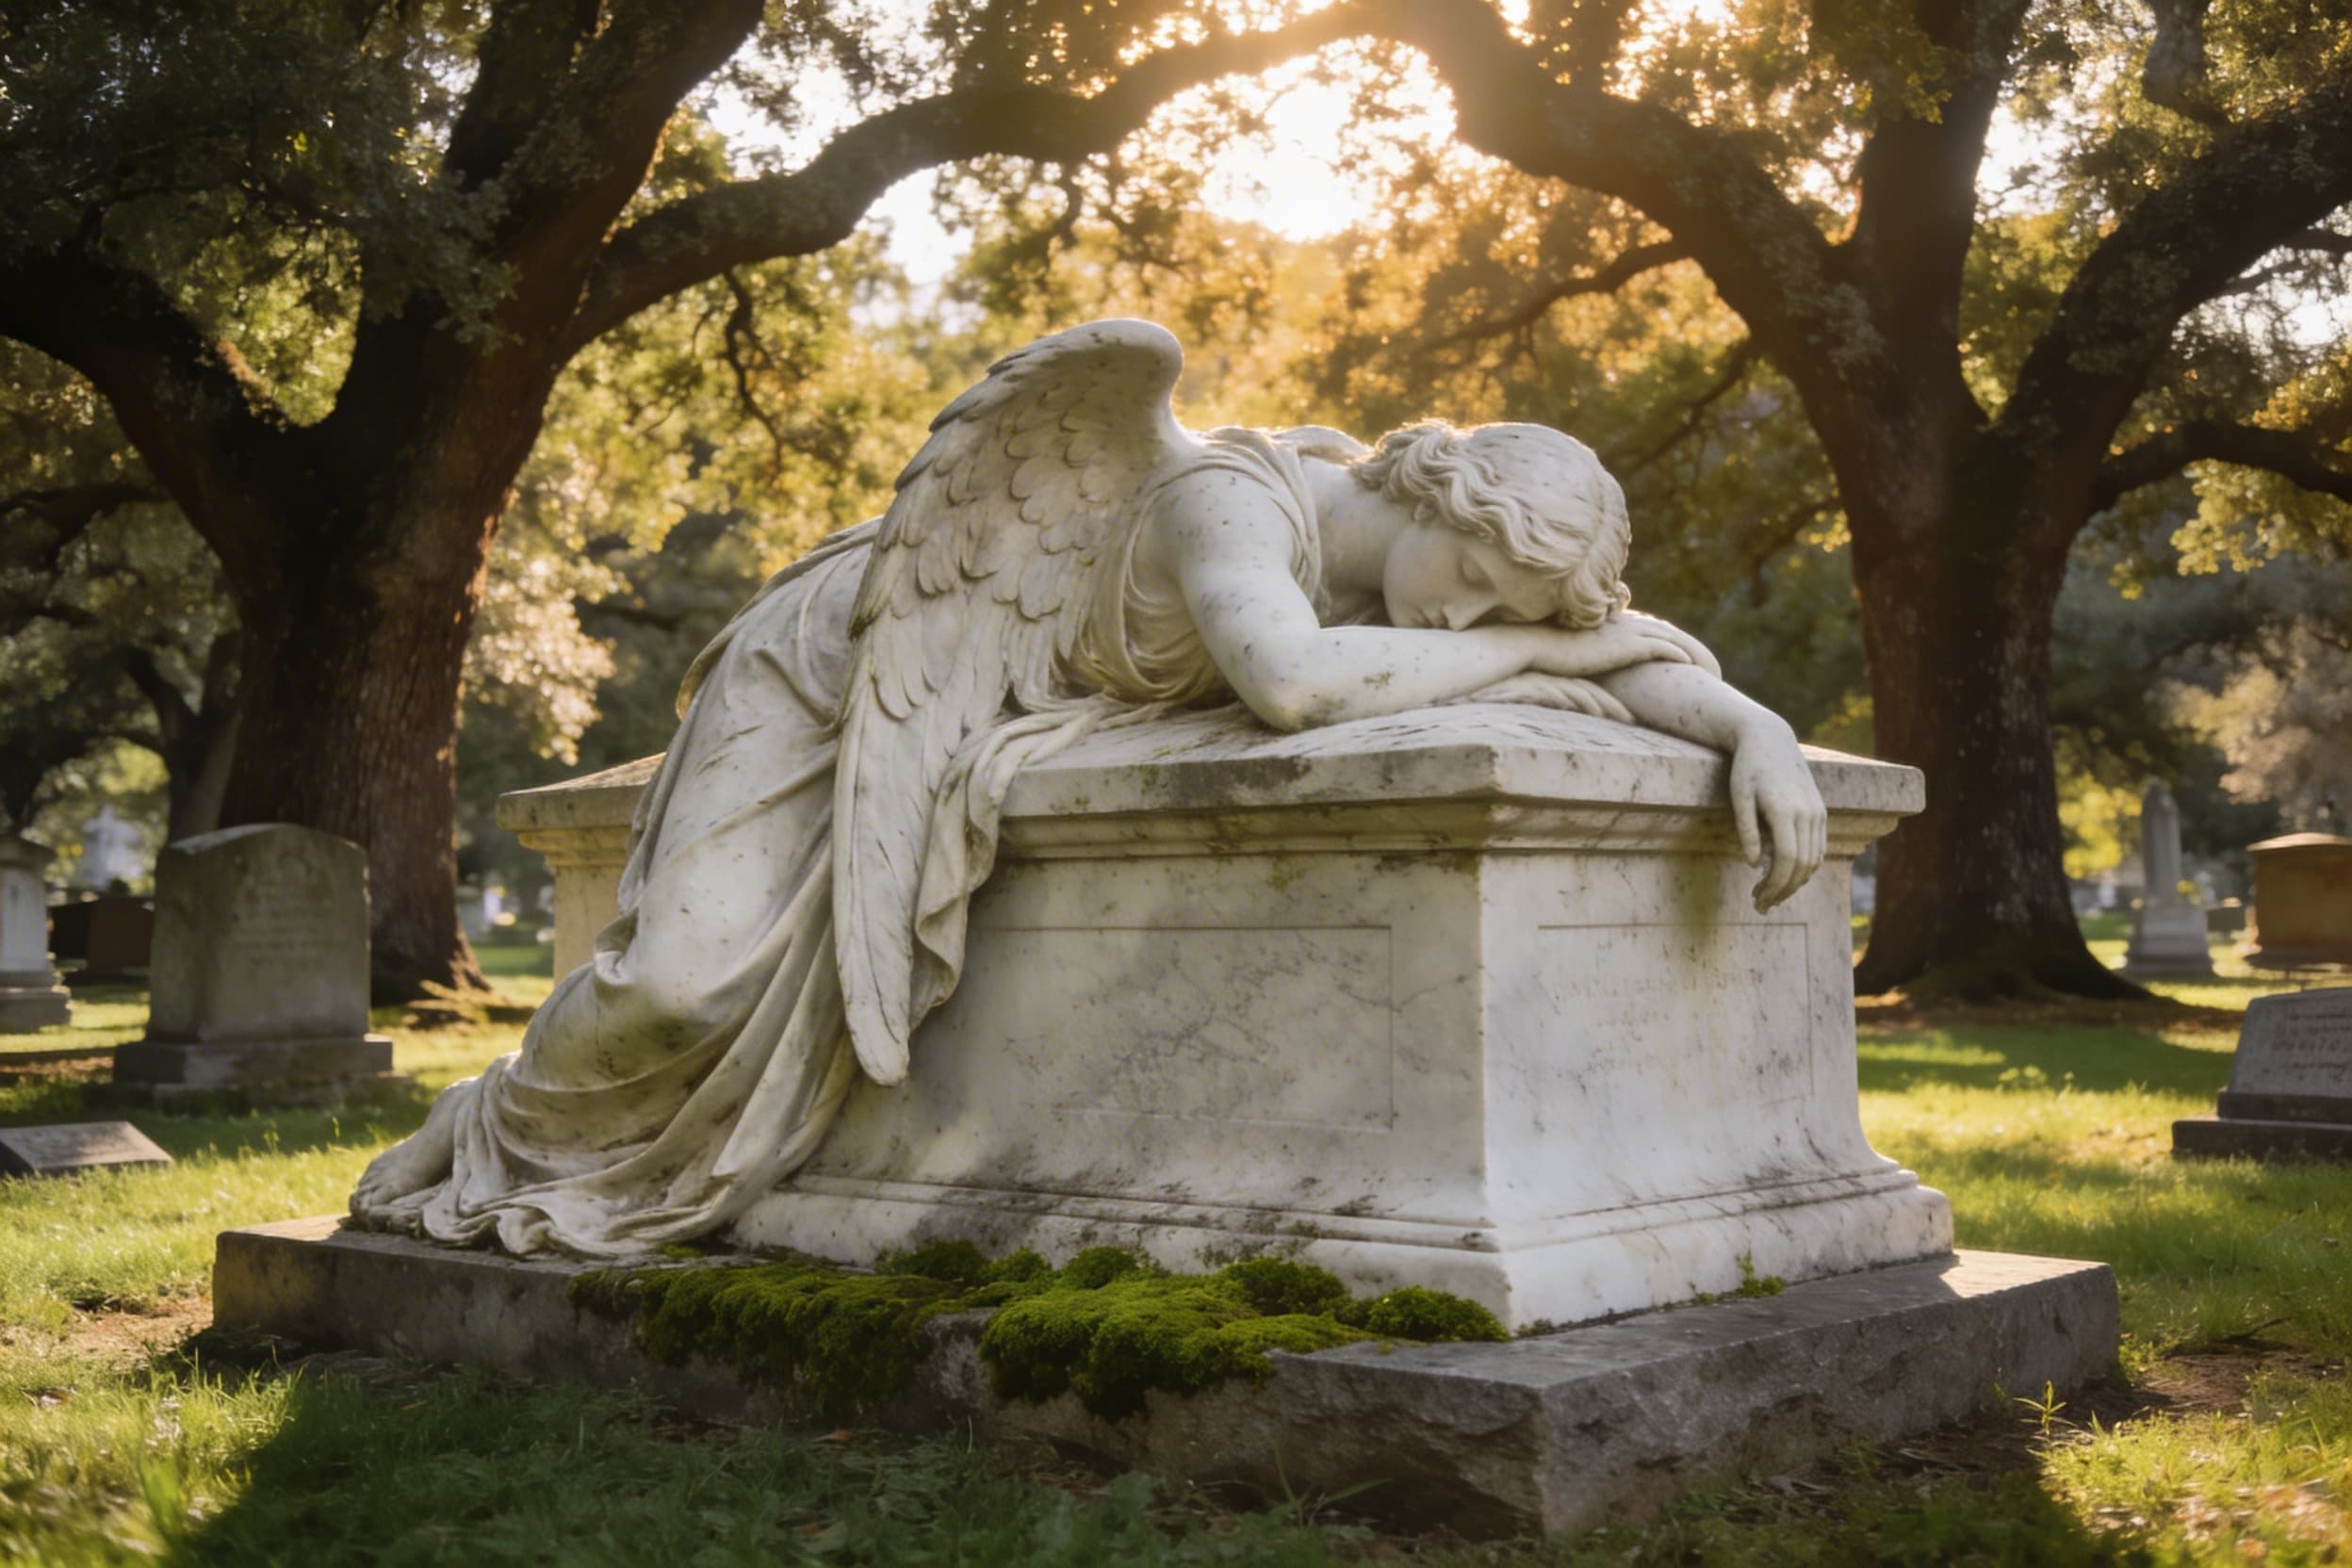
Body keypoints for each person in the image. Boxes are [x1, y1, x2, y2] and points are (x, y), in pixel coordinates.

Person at [352, 321, 1824, 1257]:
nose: (1464, 627)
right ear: (1440, 497)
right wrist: (1545, 645)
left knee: (710, 1000)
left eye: (1504, 609)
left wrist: (1747, 723)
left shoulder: (1408, 590)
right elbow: (1295, 688)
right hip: (845, 676)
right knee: (677, 984)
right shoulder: (1227, 498)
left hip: (982, 696)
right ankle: (486, 1125)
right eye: (1476, 586)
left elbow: (1607, 661)